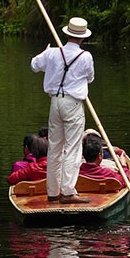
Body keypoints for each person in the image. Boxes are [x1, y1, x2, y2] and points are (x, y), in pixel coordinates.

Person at [31, 17, 94, 204]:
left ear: (67, 34)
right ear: (82, 38)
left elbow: (34, 65)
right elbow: (90, 78)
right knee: (73, 148)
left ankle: (52, 192)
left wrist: (45, 52)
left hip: (55, 103)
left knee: (55, 148)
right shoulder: (86, 57)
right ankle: (67, 192)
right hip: (73, 104)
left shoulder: (51, 53)